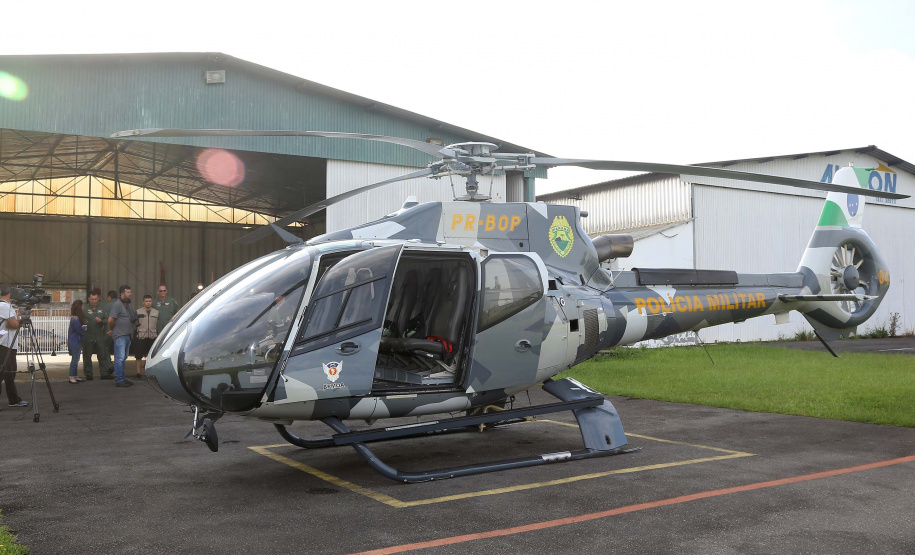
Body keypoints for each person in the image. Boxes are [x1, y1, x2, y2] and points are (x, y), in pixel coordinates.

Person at [0, 284, 27, 408]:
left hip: (8, 343)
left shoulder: (5, 306)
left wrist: (16, 322)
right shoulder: (4, 306)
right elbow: (16, 324)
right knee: (7, 372)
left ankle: (14, 399)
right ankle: (14, 399)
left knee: (9, 372)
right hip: (5, 343)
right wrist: (17, 323)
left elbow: (14, 323)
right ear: (10, 293)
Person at [108, 285, 137, 388]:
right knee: (119, 358)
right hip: (120, 336)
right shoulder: (117, 305)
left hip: (128, 335)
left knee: (123, 358)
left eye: (130, 292)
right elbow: (111, 320)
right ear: (122, 294)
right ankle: (119, 379)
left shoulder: (128, 305)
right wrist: (113, 330)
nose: (130, 294)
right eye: (128, 293)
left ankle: (123, 377)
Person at [82, 291, 113, 380]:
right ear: (88, 299)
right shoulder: (84, 308)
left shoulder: (102, 308)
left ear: (98, 299)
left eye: (95, 299)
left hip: (99, 335)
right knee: (87, 356)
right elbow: (80, 320)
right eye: (92, 299)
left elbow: (108, 320)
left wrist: (102, 321)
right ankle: (88, 374)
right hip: (88, 335)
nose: (94, 301)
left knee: (102, 355)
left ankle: (104, 373)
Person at [134, 294, 158, 380]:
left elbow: (156, 323)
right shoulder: (138, 311)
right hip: (141, 336)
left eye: (150, 301)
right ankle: (138, 373)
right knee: (138, 356)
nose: (148, 303)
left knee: (151, 356)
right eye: (146, 301)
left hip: (152, 336)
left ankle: (150, 373)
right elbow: (135, 324)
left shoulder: (156, 312)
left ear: (152, 302)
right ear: (143, 302)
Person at [67, 300, 86, 384]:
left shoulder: (74, 318)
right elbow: (79, 330)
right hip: (75, 342)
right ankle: (71, 376)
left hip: (74, 341)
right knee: (75, 359)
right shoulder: (75, 319)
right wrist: (84, 328)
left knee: (76, 359)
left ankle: (75, 375)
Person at [102, 290, 118, 365]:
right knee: (119, 348)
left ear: (109, 297)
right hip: (120, 330)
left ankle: (109, 364)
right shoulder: (121, 305)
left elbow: (103, 318)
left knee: (105, 347)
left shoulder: (105, 306)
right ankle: (119, 367)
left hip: (108, 329)